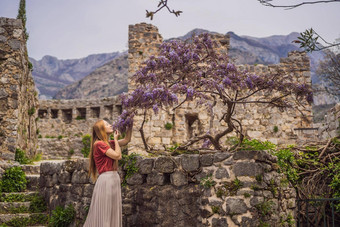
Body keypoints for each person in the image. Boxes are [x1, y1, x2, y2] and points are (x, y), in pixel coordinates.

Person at [84, 119, 132, 227]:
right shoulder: (99, 144)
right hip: (106, 179)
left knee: (112, 211)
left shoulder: (107, 143)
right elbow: (118, 156)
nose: (111, 125)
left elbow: (127, 140)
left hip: (114, 178)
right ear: (102, 130)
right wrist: (115, 139)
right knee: (106, 212)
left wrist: (130, 123)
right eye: (107, 124)